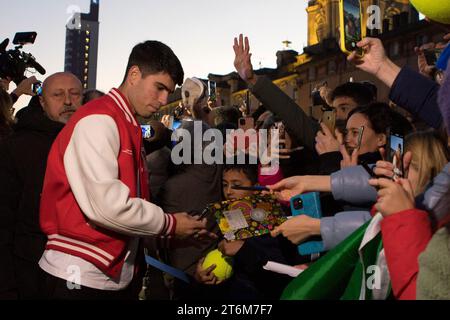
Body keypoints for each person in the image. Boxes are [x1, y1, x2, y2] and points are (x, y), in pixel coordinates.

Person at [38, 41, 210, 300]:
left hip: (103, 272)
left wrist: (168, 233)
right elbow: (109, 207)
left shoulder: (123, 121)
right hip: (79, 273)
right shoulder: (99, 119)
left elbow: (127, 206)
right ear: (134, 75)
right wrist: (170, 224)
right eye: (159, 88)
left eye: (168, 91)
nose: (164, 99)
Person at [0, 72, 83, 299]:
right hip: (32, 276)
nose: (67, 101)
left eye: (74, 94)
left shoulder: (95, 142)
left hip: (83, 275)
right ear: (42, 102)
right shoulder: (15, 148)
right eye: (57, 95)